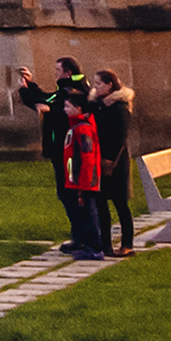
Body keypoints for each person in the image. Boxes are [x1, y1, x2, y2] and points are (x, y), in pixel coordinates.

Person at [87, 70, 138, 256]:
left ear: (109, 85)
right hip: (98, 158)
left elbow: (120, 137)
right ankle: (105, 244)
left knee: (120, 203)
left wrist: (109, 160)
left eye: (99, 83)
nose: (95, 87)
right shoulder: (98, 105)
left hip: (115, 161)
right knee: (101, 203)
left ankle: (127, 244)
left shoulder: (119, 107)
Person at [53, 96, 109, 257]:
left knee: (88, 214)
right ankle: (85, 244)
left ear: (78, 109)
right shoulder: (75, 126)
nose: (65, 110)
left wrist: (83, 184)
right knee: (82, 213)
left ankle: (94, 248)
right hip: (76, 179)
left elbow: (87, 156)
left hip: (84, 181)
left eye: (68, 106)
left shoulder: (83, 129)